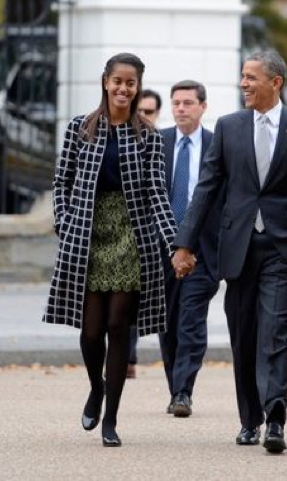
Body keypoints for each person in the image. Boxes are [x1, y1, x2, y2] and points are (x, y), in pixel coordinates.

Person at [171, 50, 287, 454]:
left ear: (275, 82)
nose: (243, 84)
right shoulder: (229, 127)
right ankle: (250, 419)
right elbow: (207, 187)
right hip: (237, 247)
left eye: (251, 77)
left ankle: (276, 417)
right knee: (244, 336)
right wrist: (184, 243)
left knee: (275, 331)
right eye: (242, 77)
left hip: (282, 247)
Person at [42, 52, 179, 447]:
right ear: (105, 81)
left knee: (119, 325)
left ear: (137, 87)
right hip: (87, 231)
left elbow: (158, 194)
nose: (123, 88)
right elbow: (61, 180)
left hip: (131, 234)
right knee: (90, 331)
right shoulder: (79, 128)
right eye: (117, 81)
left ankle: (112, 418)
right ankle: (96, 389)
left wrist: (175, 243)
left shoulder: (148, 135)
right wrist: (64, 222)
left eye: (130, 82)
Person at [158, 80, 221, 417]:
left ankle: (184, 391)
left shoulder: (217, 145)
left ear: (202, 107)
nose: (181, 108)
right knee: (168, 323)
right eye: (176, 102)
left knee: (191, 321)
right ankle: (175, 387)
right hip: (161, 250)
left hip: (203, 251)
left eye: (188, 103)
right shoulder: (157, 142)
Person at [127, 87, 164, 380]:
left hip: (160, 237)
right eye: (139, 111)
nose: (143, 117)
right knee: (125, 300)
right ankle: (127, 357)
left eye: (148, 112)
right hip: (126, 236)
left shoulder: (161, 143)